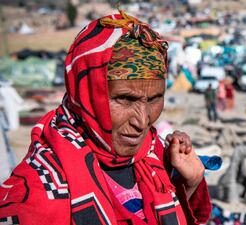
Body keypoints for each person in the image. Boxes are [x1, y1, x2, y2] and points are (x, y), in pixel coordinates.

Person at [0, 11, 211, 225]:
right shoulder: (38, 195)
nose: (142, 122)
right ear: (87, 92)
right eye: (125, 99)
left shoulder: (153, 155)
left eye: (154, 99)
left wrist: (189, 183)